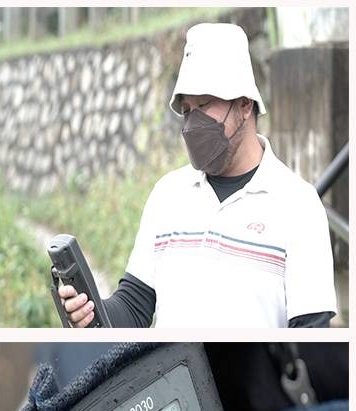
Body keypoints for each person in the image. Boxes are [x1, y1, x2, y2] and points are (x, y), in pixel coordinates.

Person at [60, 23, 338, 328]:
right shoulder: (168, 195)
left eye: (204, 105)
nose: (193, 123)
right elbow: (134, 307)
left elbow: (311, 335)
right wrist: (91, 311)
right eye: (187, 110)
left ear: (245, 104)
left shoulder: (298, 204)